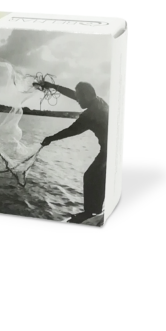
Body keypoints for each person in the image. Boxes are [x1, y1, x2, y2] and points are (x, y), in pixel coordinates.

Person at [33, 81, 108, 224]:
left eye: (79, 97)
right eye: (77, 97)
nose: (77, 100)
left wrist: (50, 138)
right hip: (110, 147)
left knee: (91, 176)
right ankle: (95, 209)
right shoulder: (97, 101)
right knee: (96, 177)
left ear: (86, 95)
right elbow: (72, 93)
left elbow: (71, 130)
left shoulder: (91, 114)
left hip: (108, 151)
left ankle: (91, 212)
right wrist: (53, 86)